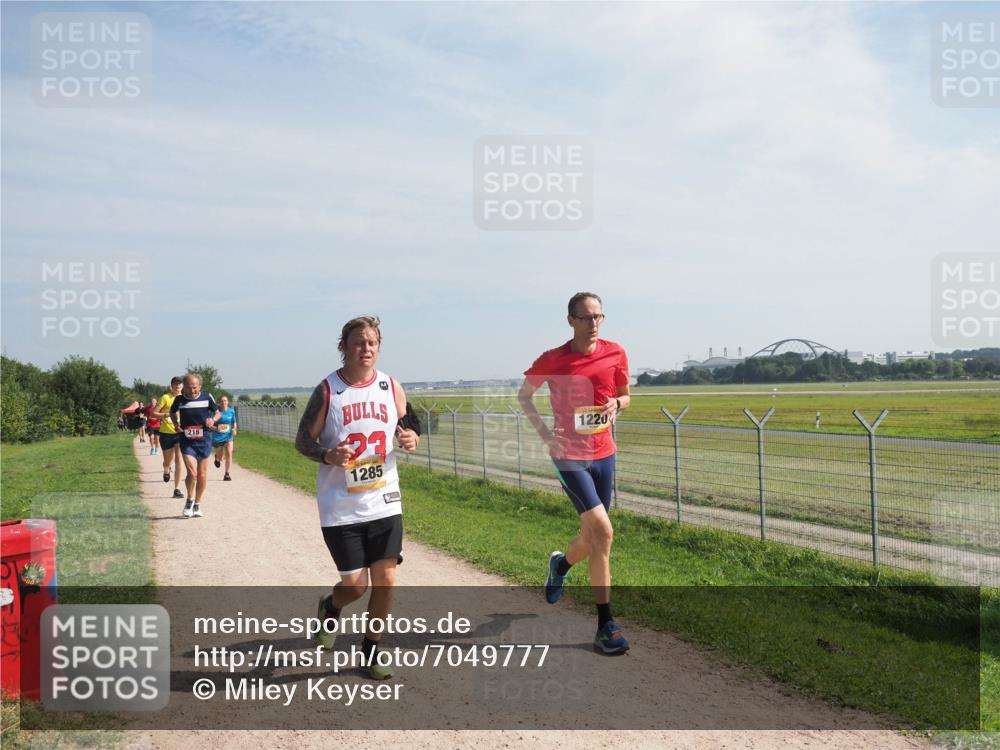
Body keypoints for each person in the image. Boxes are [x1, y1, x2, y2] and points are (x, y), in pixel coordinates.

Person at [295, 315, 420, 680]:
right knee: (355, 586)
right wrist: (327, 455)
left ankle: (370, 651)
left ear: (378, 347)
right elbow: (303, 440)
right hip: (340, 505)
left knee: (386, 580)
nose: (366, 349)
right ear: (344, 347)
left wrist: (412, 438)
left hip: (384, 498)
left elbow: (409, 426)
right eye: (358, 343)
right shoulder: (328, 390)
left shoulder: (391, 386)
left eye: (372, 343)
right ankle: (330, 606)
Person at [517, 292, 631, 655]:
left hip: (604, 454)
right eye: (586, 317)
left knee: (594, 537)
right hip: (569, 456)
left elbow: (627, 396)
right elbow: (524, 396)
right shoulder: (553, 359)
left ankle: (561, 564)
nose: (594, 323)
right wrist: (546, 435)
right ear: (571, 321)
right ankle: (605, 625)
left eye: (599, 316)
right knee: (604, 531)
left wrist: (617, 403)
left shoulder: (616, 352)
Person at [169, 373, 220, 518]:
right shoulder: (179, 399)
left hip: (204, 438)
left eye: (195, 387)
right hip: (186, 439)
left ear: (200, 386)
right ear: (184, 387)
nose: (192, 390)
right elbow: (172, 412)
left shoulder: (207, 397)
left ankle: (197, 504)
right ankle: (189, 499)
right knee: (192, 473)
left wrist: (212, 420)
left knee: (202, 474)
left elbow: (217, 412)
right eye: (189, 387)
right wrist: (175, 424)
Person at [154, 378, 186, 500]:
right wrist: (166, 414)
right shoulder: (165, 398)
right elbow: (153, 414)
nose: (177, 386)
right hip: (166, 433)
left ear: (182, 386)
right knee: (168, 460)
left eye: (179, 384)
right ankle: (166, 469)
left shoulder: (185, 399)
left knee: (179, 459)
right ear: (171, 386)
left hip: (179, 432)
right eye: (175, 384)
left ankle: (176, 489)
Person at [212, 395, 238, 480]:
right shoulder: (217, 412)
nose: (224, 402)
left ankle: (227, 474)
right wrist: (216, 428)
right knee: (220, 456)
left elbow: (234, 422)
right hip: (218, 436)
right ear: (220, 402)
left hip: (228, 435)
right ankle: (217, 458)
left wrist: (234, 428)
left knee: (229, 453)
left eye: (225, 400)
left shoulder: (231, 411)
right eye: (222, 401)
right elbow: (210, 424)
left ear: (228, 402)